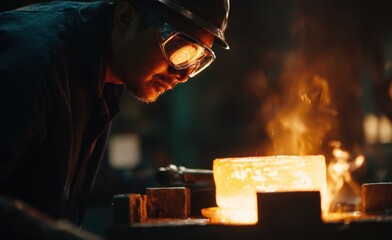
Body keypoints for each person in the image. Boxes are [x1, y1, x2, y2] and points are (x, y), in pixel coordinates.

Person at [0, 0, 230, 231]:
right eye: (177, 47)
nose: (184, 75)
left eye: (198, 58)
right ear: (126, 18)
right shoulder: (31, 72)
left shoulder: (108, 75)